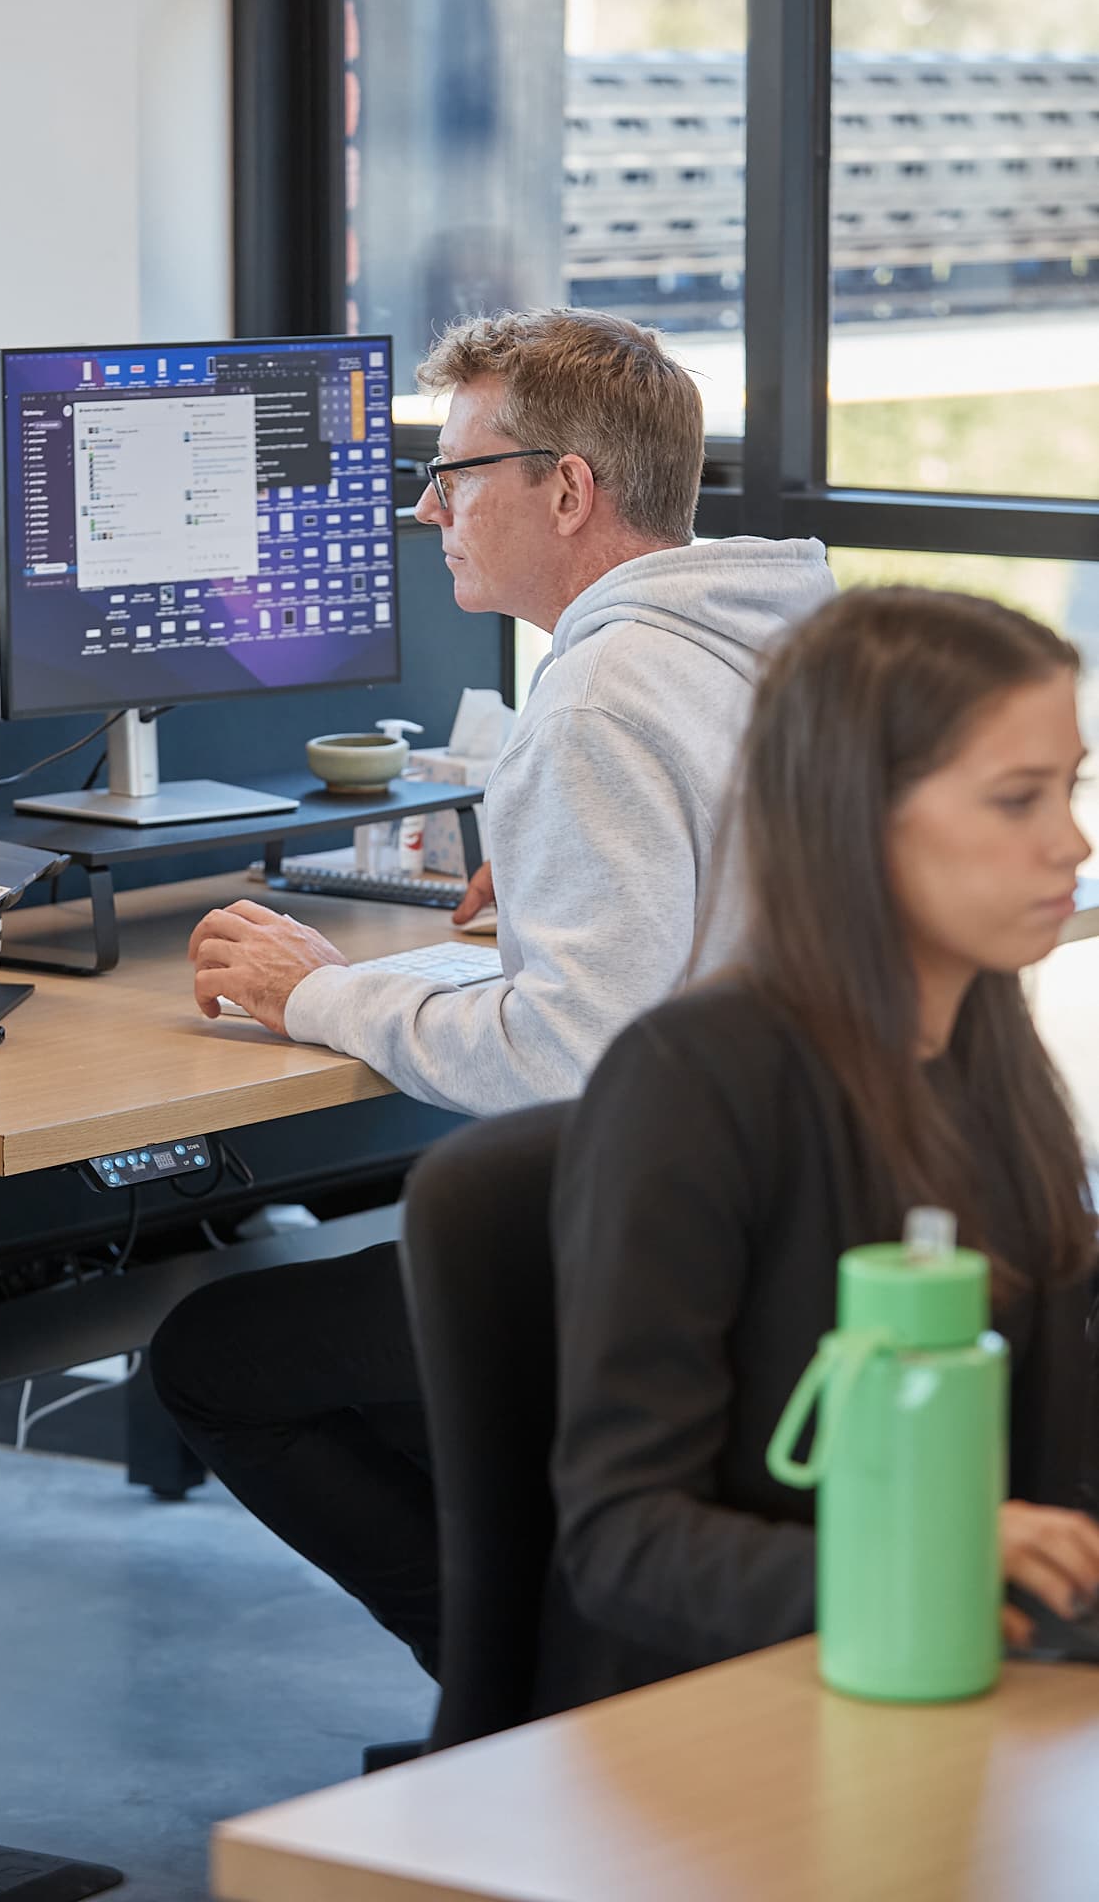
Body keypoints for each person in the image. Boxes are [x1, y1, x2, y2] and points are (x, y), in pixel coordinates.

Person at [153, 308, 832, 1680]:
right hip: (804, 1229)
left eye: (455, 475)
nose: (428, 508)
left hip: (677, 1259)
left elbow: (571, 1051)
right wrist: (550, 890)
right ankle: (579, 1642)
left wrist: (319, 992)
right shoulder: (769, 642)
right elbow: (725, 904)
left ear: (564, 489)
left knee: (213, 1356)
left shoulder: (591, 702)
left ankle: (517, 1683)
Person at [550, 584, 1099, 1702]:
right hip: (761, 1697)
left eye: (1072, 787)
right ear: (860, 812)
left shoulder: (988, 1051)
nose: (1072, 840)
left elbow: (1052, 1433)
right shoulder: (693, 1082)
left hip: (976, 1667)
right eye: (1016, 800)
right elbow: (621, 1539)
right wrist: (936, 1554)